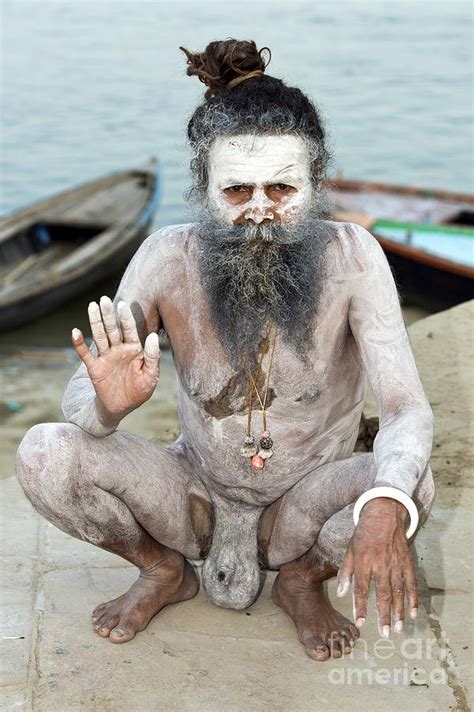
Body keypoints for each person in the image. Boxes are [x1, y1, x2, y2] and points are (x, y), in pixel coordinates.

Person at [15, 39, 434, 662]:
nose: (260, 212)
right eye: (237, 191)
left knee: (409, 486)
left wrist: (381, 511)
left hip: (309, 501)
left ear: (316, 183)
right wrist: (106, 405)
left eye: (282, 190)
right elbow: (82, 402)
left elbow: (405, 410)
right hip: (196, 493)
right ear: (204, 187)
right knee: (45, 452)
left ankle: (300, 580)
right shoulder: (166, 256)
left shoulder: (354, 257)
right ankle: (163, 570)